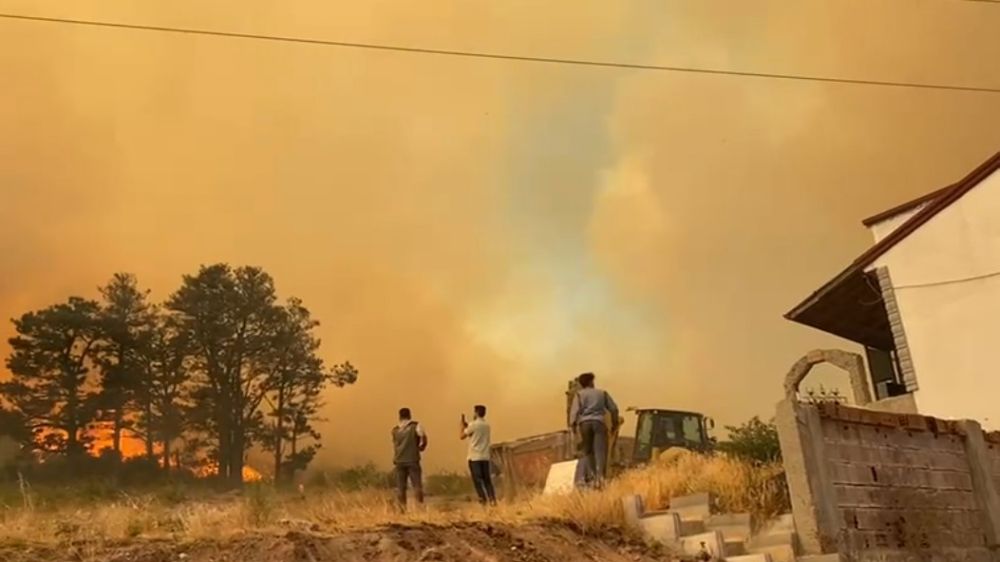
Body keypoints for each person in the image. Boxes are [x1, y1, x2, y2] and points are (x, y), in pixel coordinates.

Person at [568, 372, 619, 487]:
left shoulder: (579, 395)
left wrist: (573, 427)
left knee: (587, 451)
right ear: (591, 382)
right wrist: (615, 423)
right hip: (599, 423)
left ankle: (591, 477)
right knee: (600, 451)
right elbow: (614, 409)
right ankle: (600, 478)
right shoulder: (602, 393)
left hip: (584, 424)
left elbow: (574, 413)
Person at [392, 407, 428, 510]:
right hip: (412, 459)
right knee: (416, 485)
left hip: (399, 460)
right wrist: (421, 447)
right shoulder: (416, 426)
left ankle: (402, 509)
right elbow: (423, 439)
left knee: (401, 487)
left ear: (399, 416)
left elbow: (395, 444)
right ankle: (420, 508)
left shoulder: (395, 430)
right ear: (410, 415)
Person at [460, 404, 497, 506]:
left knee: (477, 481)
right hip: (485, 457)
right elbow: (476, 434)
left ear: (476, 413)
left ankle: (483, 501)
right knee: (487, 480)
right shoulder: (487, 425)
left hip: (474, 457)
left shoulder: (473, 425)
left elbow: (461, 436)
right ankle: (492, 500)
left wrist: (462, 426)